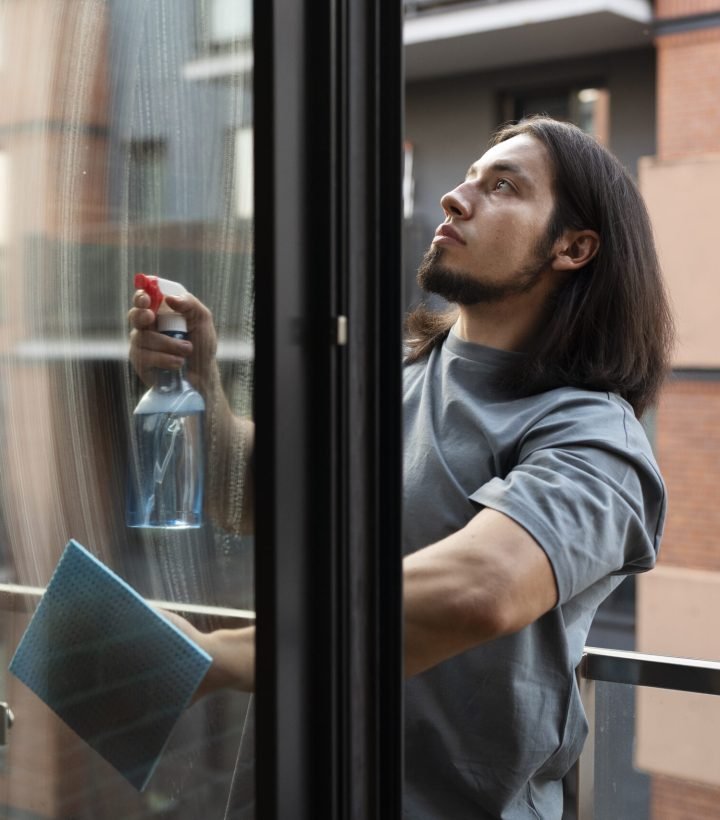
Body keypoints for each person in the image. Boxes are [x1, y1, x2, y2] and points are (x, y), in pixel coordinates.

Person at [128, 116, 673, 819]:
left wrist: (225, 657)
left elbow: (488, 584)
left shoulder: (595, 437)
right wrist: (198, 383)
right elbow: (256, 498)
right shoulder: (395, 374)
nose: (456, 197)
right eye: (468, 176)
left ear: (573, 246)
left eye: (501, 186)